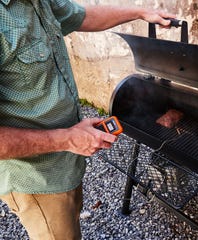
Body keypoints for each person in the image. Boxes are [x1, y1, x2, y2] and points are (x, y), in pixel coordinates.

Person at [0, 1, 175, 239]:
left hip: (67, 162)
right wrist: (66, 139)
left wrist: (140, 11)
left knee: (71, 223)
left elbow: (81, 16)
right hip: (36, 179)